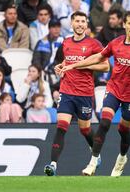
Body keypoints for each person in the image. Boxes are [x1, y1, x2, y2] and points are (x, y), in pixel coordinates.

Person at [61, 11, 130, 177]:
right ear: (124, 25)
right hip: (114, 89)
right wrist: (73, 65)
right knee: (104, 123)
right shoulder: (116, 42)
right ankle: (93, 161)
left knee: (123, 130)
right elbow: (98, 57)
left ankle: (122, 158)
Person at [44, 11, 109, 176]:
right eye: (77, 21)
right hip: (66, 91)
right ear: (72, 24)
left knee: (85, 129)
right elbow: (68, 60)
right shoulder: (66, 42)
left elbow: (105, 66)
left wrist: (83, 65)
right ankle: (53, 165)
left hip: (85, 93)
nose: (80, 24)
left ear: (87, 25)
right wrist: (61, 66)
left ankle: (96, 155)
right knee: (61, 126)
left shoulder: (94, 44)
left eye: (83, 21)